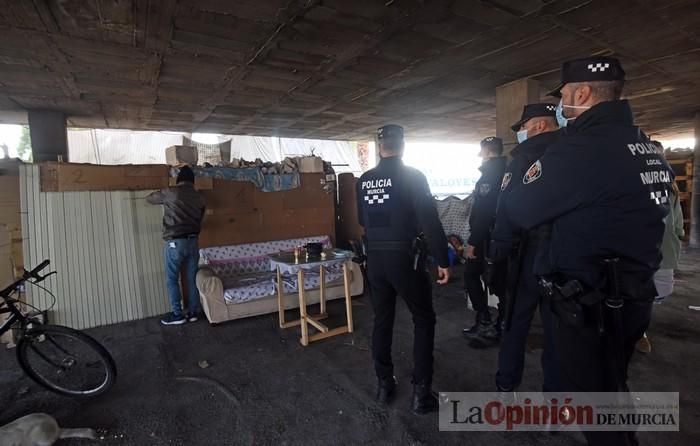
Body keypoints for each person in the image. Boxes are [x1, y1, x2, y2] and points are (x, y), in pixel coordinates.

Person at [502, 56, 674, 446]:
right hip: (634, 295)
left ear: (582, 93)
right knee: (612, 385)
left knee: (594, 403)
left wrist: (524, 165)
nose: (562, 104)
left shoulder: (581, 149)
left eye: (563, 95)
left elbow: (519, 210)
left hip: (590, 302)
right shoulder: (645, 147)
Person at [356, 124, 450, 415]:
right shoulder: (412, 177)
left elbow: (363, 218)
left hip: (375, 260)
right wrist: (443, 260)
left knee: (382, 320)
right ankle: (421, 393)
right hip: (405, 259)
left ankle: (384, 384)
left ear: (379, 145)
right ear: (404, 145)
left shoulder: (365, 180)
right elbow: (430, 222)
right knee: (423, 319)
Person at [489, 103, 561, 393]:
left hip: (529, 252)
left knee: (515, 321)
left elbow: (507, 207)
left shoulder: (524, 156)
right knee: (558, 330)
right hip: (565, 253)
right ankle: (555, 400)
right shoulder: (576, 151)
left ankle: (507, 385)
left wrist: (497, 254)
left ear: (539, 125)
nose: (521, 132)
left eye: (523, 126)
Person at [147, 166, 206, 325]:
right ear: (192, 182)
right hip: (193, 241)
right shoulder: (199, 197)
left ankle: (177, 314)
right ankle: (193, 312)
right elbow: (201, 217)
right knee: (191, 278)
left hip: (175, 243)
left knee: (172, 279)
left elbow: (150, 198)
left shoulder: (171, 192)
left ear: (178, 180)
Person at [463, 137, 506, 347]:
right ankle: (502, 324)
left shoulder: (490, 176)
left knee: (472, 275)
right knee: (501, 281)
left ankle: (486, 322)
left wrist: (473, 242)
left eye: (482, 152)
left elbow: (484, 213)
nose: (480, 156)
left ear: (488, 153)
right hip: (499, 237)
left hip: (486, 238)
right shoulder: (507, 170)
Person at [637, 174, 685, 354]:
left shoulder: (670, 187)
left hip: (663, 246)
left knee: (658, 291)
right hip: (641, 247)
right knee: (639, 292)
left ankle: (639, 329)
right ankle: (640, 332)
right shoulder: (634, 183)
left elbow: (676, 214)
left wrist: (678, 233)